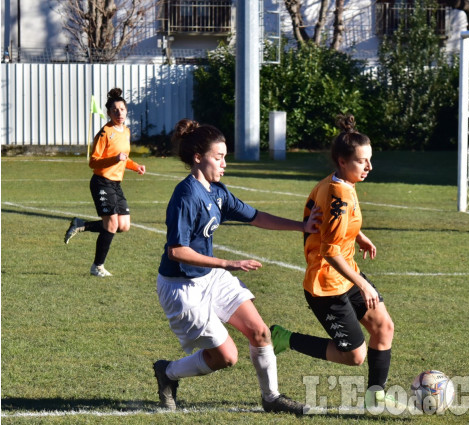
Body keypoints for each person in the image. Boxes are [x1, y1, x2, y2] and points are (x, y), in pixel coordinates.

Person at [152, 119, 320, 415]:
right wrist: (228, 262)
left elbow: (255, 216)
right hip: (181, 287)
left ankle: (272, 398)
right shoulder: (186, 195)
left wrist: (302, 226)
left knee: (260, 332)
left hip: (210, 277)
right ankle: (168, 373)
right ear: (197, 157)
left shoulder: (217, 191)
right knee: (227, 357)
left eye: (225, 156)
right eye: (219, 157)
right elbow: (177, 251)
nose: (224, 163)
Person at [269, 114, 404, 412]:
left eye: (369, 159)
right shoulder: (337, 196)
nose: (369, 167)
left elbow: (337, 225)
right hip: (326, 284)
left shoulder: (338, 182)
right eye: (361, 161)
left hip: (345, 274)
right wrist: (363, 283)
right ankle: (286, 338)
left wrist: (358, 236)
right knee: (354, 356)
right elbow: (330, 250)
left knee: (383, 327)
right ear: (343, 161)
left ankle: (375, 396)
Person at [64, 88, 146, 277]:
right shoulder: (104, 133)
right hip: (102, 182)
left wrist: (136, 166)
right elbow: (93, 162)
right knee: (110, 225)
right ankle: (97, 267)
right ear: (108, 113)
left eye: (122, 109)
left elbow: (123, 158)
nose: (119, 113)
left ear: (126, 111)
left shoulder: (125, 131)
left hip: (116, 184)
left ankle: (81, 224)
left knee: (123, 226)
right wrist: (114, 159)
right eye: (115, 110)